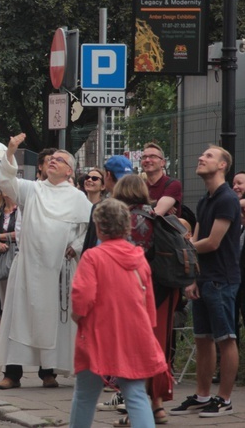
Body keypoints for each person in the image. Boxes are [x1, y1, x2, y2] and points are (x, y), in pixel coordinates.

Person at [0, 134, 92, 389]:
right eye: (52, 158)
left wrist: (75, 246)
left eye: (60, 160)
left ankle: (48, 372)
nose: (53, 161)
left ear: (69, 170)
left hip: (59, 269)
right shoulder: (32, 189)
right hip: (28, 267)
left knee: (54, 322)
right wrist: (11, 150)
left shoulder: (79, 198)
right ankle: (12, 374)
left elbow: (86, 231)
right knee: (19, 318)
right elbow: (5, 181)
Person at [69, 199, 167, 428]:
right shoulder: (138, 258)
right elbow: (148, 300)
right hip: (134, 334)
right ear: (127, 227)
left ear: (99, 227)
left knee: (85, 394)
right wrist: (148, 328)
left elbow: (82, 296)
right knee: (135, 394)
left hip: (98, 334)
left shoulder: (93, 257)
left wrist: (78, 316)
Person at [171, 145, 241, 417]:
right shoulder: (205, 200)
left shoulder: (226, 199)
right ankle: (202, 396)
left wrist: (179, 252)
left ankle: (224, 399)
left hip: (222, 280)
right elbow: (195, 240)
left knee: (225, 339)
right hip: (204, 279)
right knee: (202, 338)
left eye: (209, 156)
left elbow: (211, 243)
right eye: (201, 155)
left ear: (223, 165)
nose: (201, 157)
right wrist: (192, 277)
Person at [109, 174, 176, 424]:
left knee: (132, 350)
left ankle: (134, 410)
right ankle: (158, 405)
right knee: (156, 347)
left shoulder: (125, 219)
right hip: (162, 290)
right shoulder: (158, 216)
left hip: (133, 292)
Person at [142, 142, 182, 216]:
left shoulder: (173, 184)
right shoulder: (140, 187)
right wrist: (159, 205)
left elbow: (156, 214)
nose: (147, 160)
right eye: (144, 157)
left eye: (152, 156)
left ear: (163, 162)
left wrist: (142, 209)